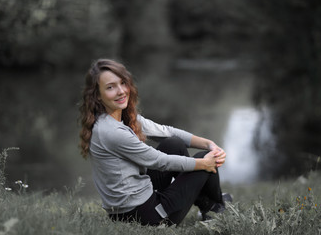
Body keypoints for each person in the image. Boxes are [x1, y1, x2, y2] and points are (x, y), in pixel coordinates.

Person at [79, 58, 230, 226]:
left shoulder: (117, 117)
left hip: (131, 207)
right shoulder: (112, 132)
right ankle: (216, 208)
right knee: (206, 158)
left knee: (173, 144)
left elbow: (167, 132)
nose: (121, 91)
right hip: (146, 216)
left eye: (123, 83)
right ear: (97, 96)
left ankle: (206, 203)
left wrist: (209, 143)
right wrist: (205, 162)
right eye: (110, 87)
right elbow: (160, 161)